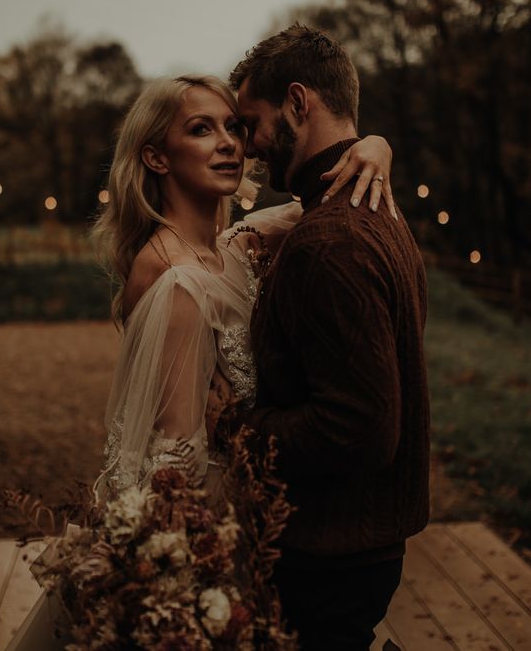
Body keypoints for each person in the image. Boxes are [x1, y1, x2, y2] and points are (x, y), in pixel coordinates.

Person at [89, 74, 394, 501]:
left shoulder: (231, 248)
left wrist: (376, 147)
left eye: (233, 126)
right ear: (157, 158)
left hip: (263, 507)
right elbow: (174, 461)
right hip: (217, 517)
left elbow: (327, 197)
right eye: (201, 129)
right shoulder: (175, 278)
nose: (230, 143)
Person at [226, 24, 430, 651]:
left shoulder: (329, 238)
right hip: (359, 544)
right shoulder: (369, 212)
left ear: (298, 101)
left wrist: (235, 427)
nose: (248, 146)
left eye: (251, 122)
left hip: (329, 550)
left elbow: (360, 425)